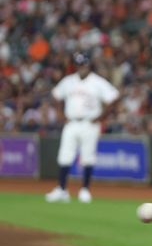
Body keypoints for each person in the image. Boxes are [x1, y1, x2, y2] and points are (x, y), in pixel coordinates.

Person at [45, 51, 120, 203]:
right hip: (71, 122)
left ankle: (85, 190)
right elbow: (56, 95)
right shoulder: (69, 81)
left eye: (84, 64)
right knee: (65, 156)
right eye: (79, 64)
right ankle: (62, 189)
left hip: (89, 123)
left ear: (89, 64)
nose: (81, 67)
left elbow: (114, 97)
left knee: (88, 157)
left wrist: (101, 117)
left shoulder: (97, 82)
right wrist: (60, 113)